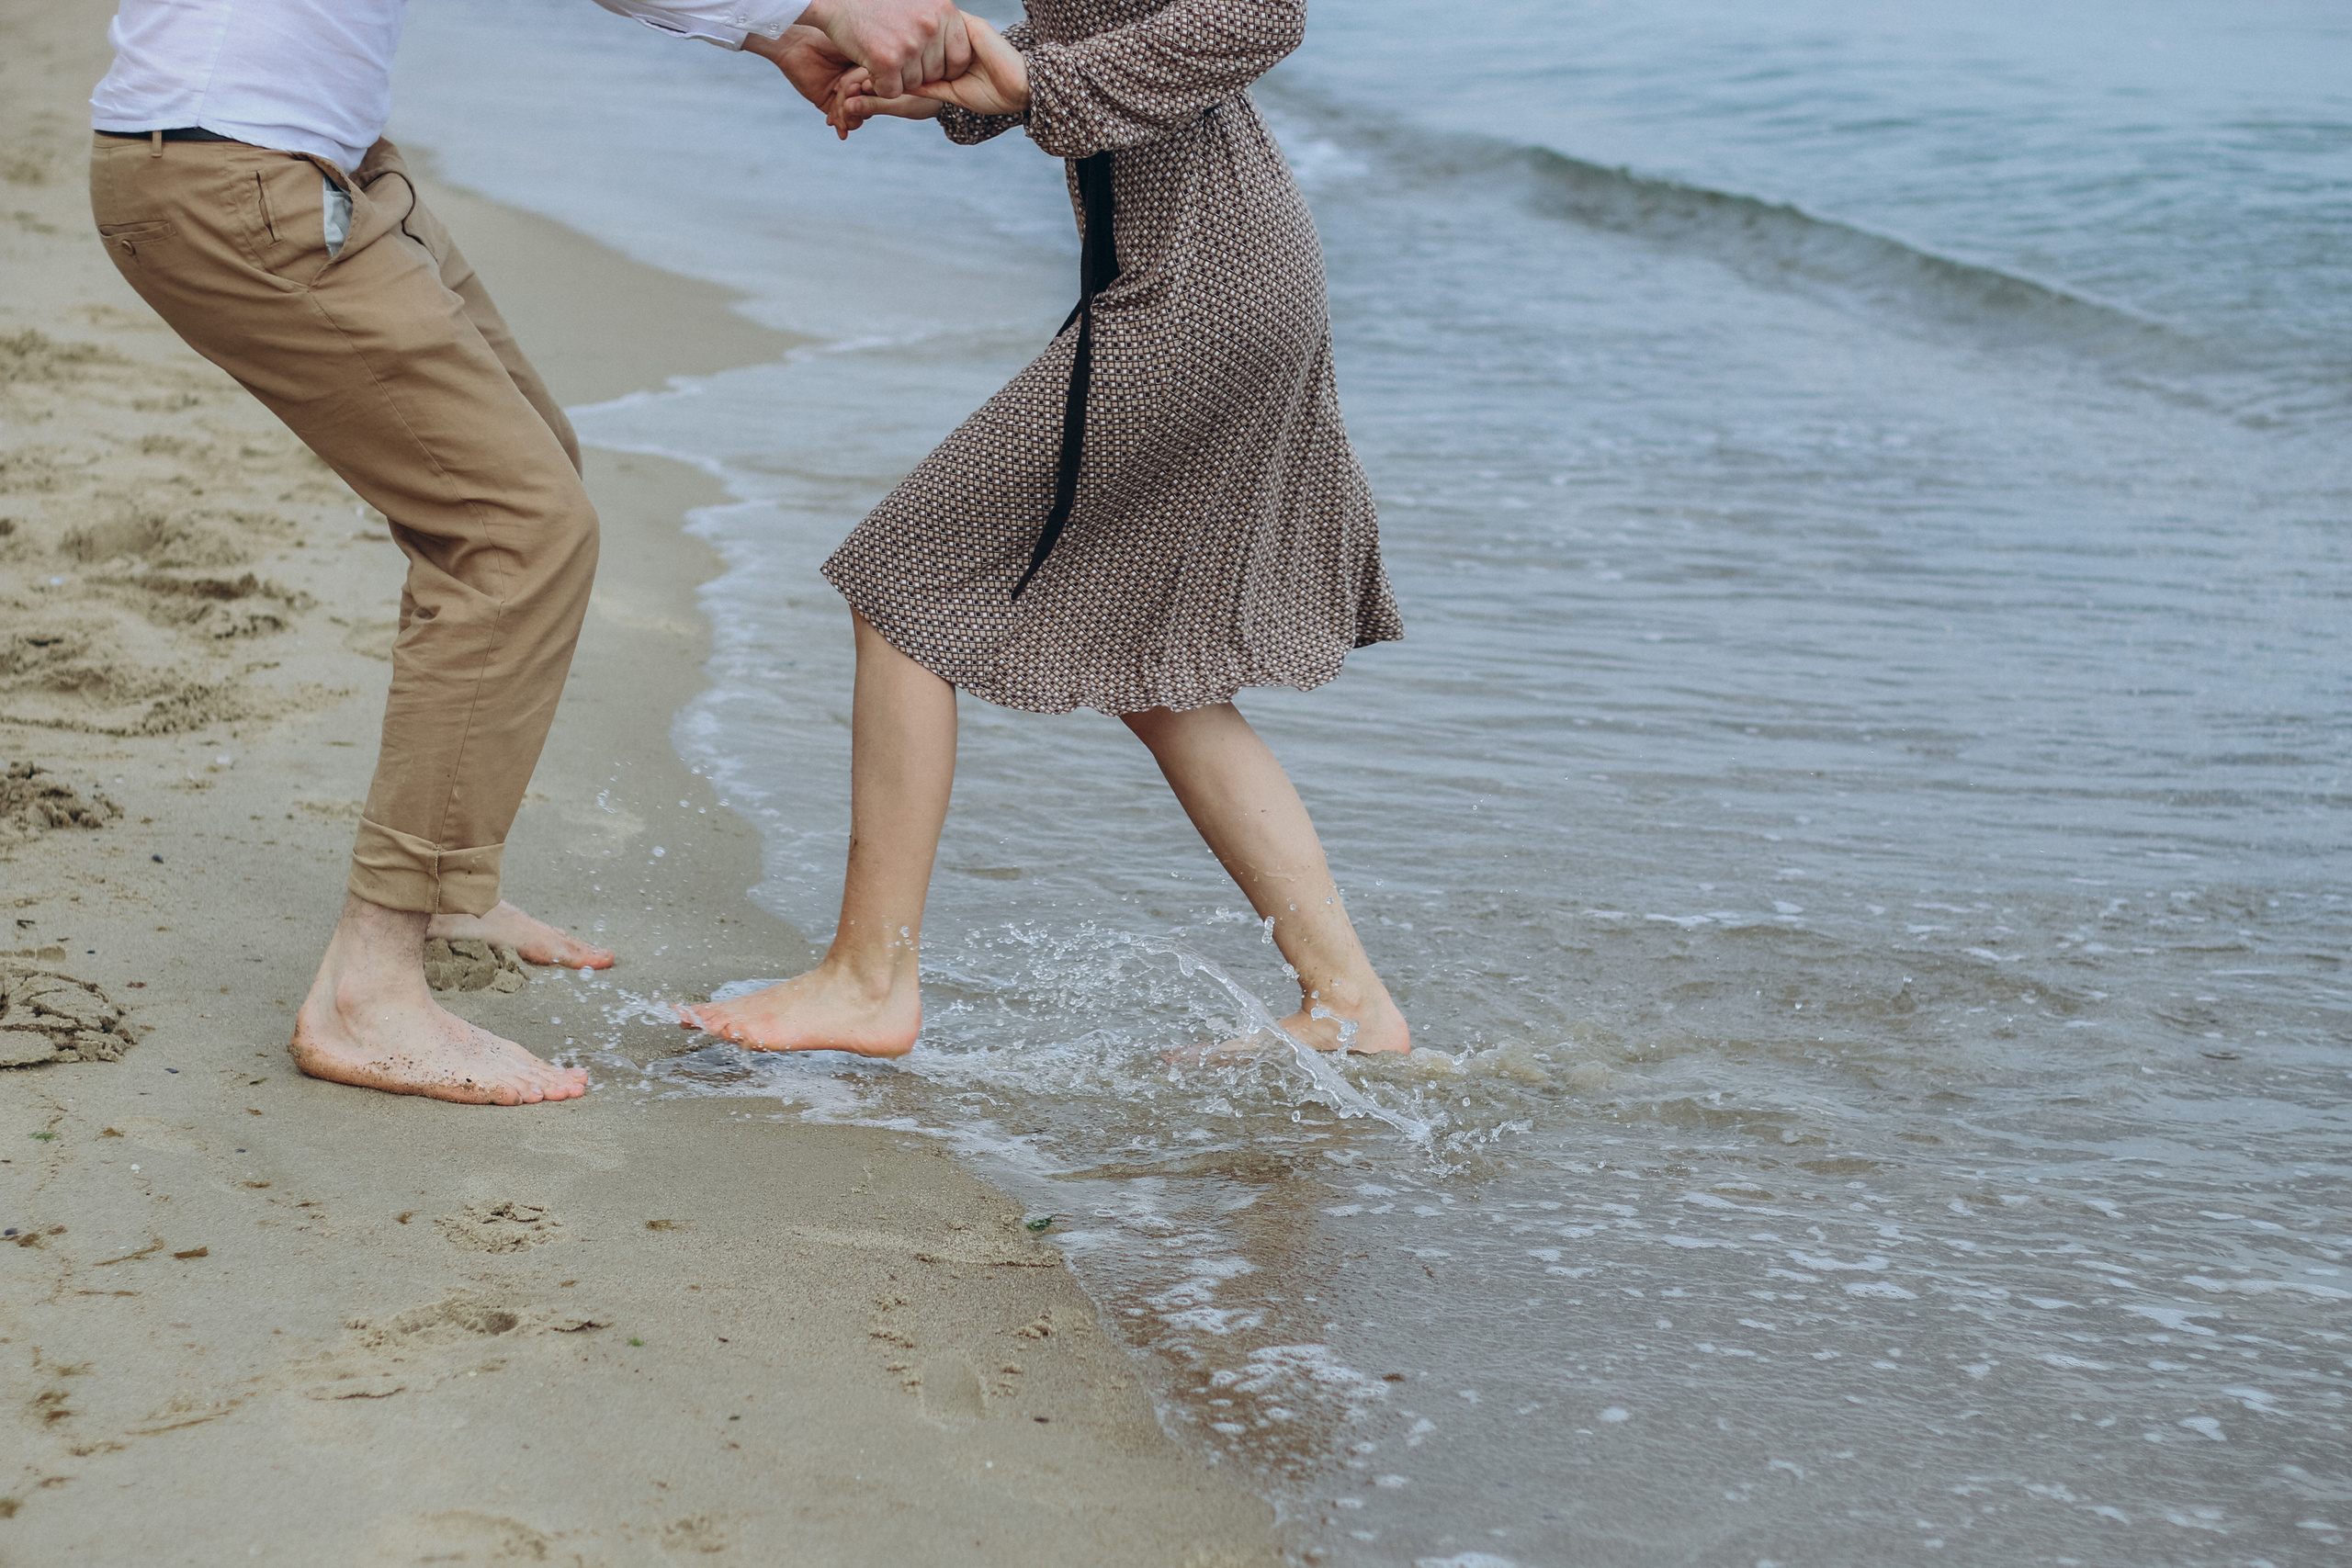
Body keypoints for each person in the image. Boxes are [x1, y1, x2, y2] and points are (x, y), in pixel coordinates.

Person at [87, 0, 968, 1106]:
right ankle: (368, 989)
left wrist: (772, 32)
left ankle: (447, 883)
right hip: (241, 176)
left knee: (527, 473)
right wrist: (802, 11)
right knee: (514, 532)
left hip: (300, 163)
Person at [679, 0, 1411, 1062]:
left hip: (1198, 289)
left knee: (904, 582)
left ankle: (869, 980)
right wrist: (944, 86)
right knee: (1165, 683)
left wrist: (1020, 83)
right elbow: (1083, 39)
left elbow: (1262, 12)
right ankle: (1350, 1004)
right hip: (1203, 271)